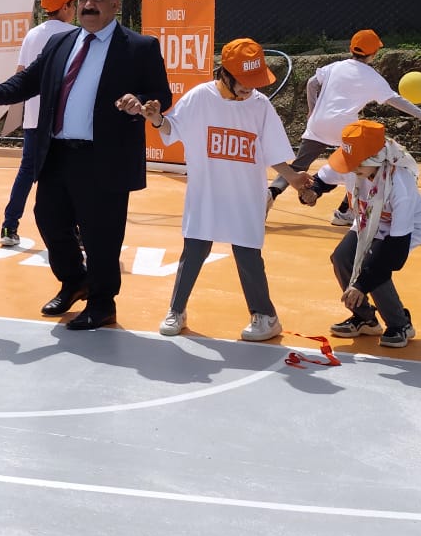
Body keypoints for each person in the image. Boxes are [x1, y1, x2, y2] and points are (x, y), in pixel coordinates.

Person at [0, 0, 172, 331]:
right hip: (58, 153)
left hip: (105, 157)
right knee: (49, 221)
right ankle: (74, 281)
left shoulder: (140, 47)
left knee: (102, 235)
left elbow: (162, 95)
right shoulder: (61, 43)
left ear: (116, 5)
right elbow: (29, 80)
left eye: (97, 0)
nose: (87, 6)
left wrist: (140, 103)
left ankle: (102, 303)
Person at [131, 39, 309, 342]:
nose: (250, 88)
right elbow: (172, 130)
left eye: (255, 82)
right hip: (207, 192)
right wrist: (156, 120)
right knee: (195, 249)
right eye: (244, 81)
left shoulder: (260, 105)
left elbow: (273, 151)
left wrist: (292, 178)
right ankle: (177, 310)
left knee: (247, 254)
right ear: (225, 73)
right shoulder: (201, 98)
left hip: (245, 195)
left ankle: (266, 316)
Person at [269, 29, 421, 224]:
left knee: (297, 166)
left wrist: (312, 110)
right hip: (345, 129)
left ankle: (271, 192)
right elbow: (396, 100)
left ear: (351, 49)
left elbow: (311, 83)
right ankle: (347, 210)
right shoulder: (372, 77)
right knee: (361, 165)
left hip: (318, 123)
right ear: (374, 54)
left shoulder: (336, 66)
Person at [305, 119, 421, 350]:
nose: (350, 168)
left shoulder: (400, 185)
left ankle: (399, 323)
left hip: (403, 229)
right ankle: (365, 318)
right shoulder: (354, 165)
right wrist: (313, 191)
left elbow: (394, 255)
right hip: (369, 220)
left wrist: (361, 284)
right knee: (342, 258)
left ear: (376, 159)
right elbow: (323, 178)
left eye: (357, 163)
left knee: (372, 265)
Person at [0, 0, 78, 248]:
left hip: (34, 119)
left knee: (27, 172)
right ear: (65, 7)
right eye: (73, 4)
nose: (76, 9)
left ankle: (9, 226)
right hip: (65, 120)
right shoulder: (75, 34)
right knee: (70, 175)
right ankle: (74, 232)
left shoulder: (32, 35)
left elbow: (22, 74)